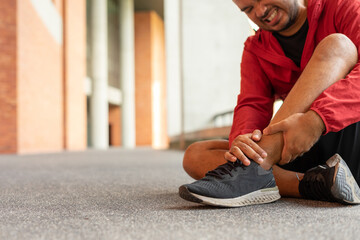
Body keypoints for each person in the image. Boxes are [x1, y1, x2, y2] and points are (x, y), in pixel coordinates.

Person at [178, 0, 360, 207]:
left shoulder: (343, 6)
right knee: (195, 155)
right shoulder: (255, 48)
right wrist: (243, 141)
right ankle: (317, 183)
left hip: (347, 132)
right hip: (295, 147)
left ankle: (252, 171)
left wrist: (316, 120)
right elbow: (252, 104)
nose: (260, 11)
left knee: (338, 45)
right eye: (247, 9)